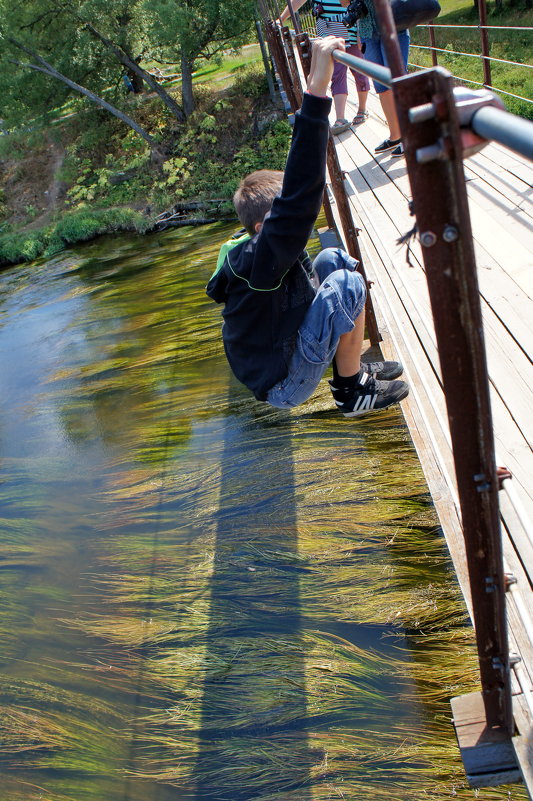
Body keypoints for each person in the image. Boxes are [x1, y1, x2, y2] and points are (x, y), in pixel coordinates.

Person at [206, 37, 408, 418]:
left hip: (280, 346)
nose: (292, 220)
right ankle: (350, 393)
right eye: (281, 218)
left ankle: (350, 368)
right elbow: (300, 197)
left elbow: (293, 188)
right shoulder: (262, 258)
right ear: (264, 225)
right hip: (283, 384)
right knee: (347, 287)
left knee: (333, 259)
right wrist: (316, 92)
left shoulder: (259, 244)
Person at [279, 0, 369, 134]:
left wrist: (360, 30)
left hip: (349, 27)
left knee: (359, 71)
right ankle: (340, 118)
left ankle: (362, 109)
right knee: (337, 73)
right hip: (328, 30)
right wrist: (281, 19)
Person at [350, 0, 409, 157]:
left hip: (393, 25)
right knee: (381, 87)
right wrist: (358, 32)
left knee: (398, 82)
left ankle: (410, 136)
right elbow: (346, 4)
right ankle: (395, 136)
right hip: (367, 31)